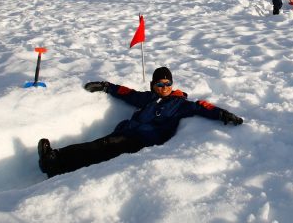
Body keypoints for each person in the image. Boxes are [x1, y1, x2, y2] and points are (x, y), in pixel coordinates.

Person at [38, 66, 244, 177]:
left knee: (101, 148)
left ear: (172, 84)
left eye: (167, 83)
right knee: (98, 147)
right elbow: (128, 93)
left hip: (143, 140)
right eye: (159, 84)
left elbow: (202, 107)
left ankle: (55, 161)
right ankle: (58, 164)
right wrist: (106, 86)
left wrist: (223, 114)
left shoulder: (180, 103)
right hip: (127, 132)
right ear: (153, 85)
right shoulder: (148, 98)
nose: (164, 87)